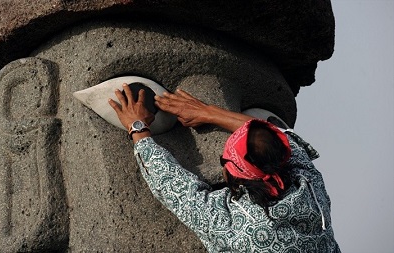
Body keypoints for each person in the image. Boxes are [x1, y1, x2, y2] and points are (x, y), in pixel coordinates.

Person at [108, 83, 341, 253]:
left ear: (234, 174)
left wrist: (136, 126)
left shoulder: (235, 225)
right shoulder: (309, 187)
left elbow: (170, 184)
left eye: (224, 160)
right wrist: (206, 112)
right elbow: (278, 138)